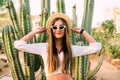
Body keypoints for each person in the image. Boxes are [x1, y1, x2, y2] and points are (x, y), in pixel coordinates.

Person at [14, 13, 102, 80]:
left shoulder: (71, 49)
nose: (58, 30)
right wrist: (34, 32)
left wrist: (83, 32)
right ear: (51, 30)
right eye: (54, 27)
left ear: (65, 29)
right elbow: (19, 45)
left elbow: (96, 47)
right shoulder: (44, 48)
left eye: (61, 27)